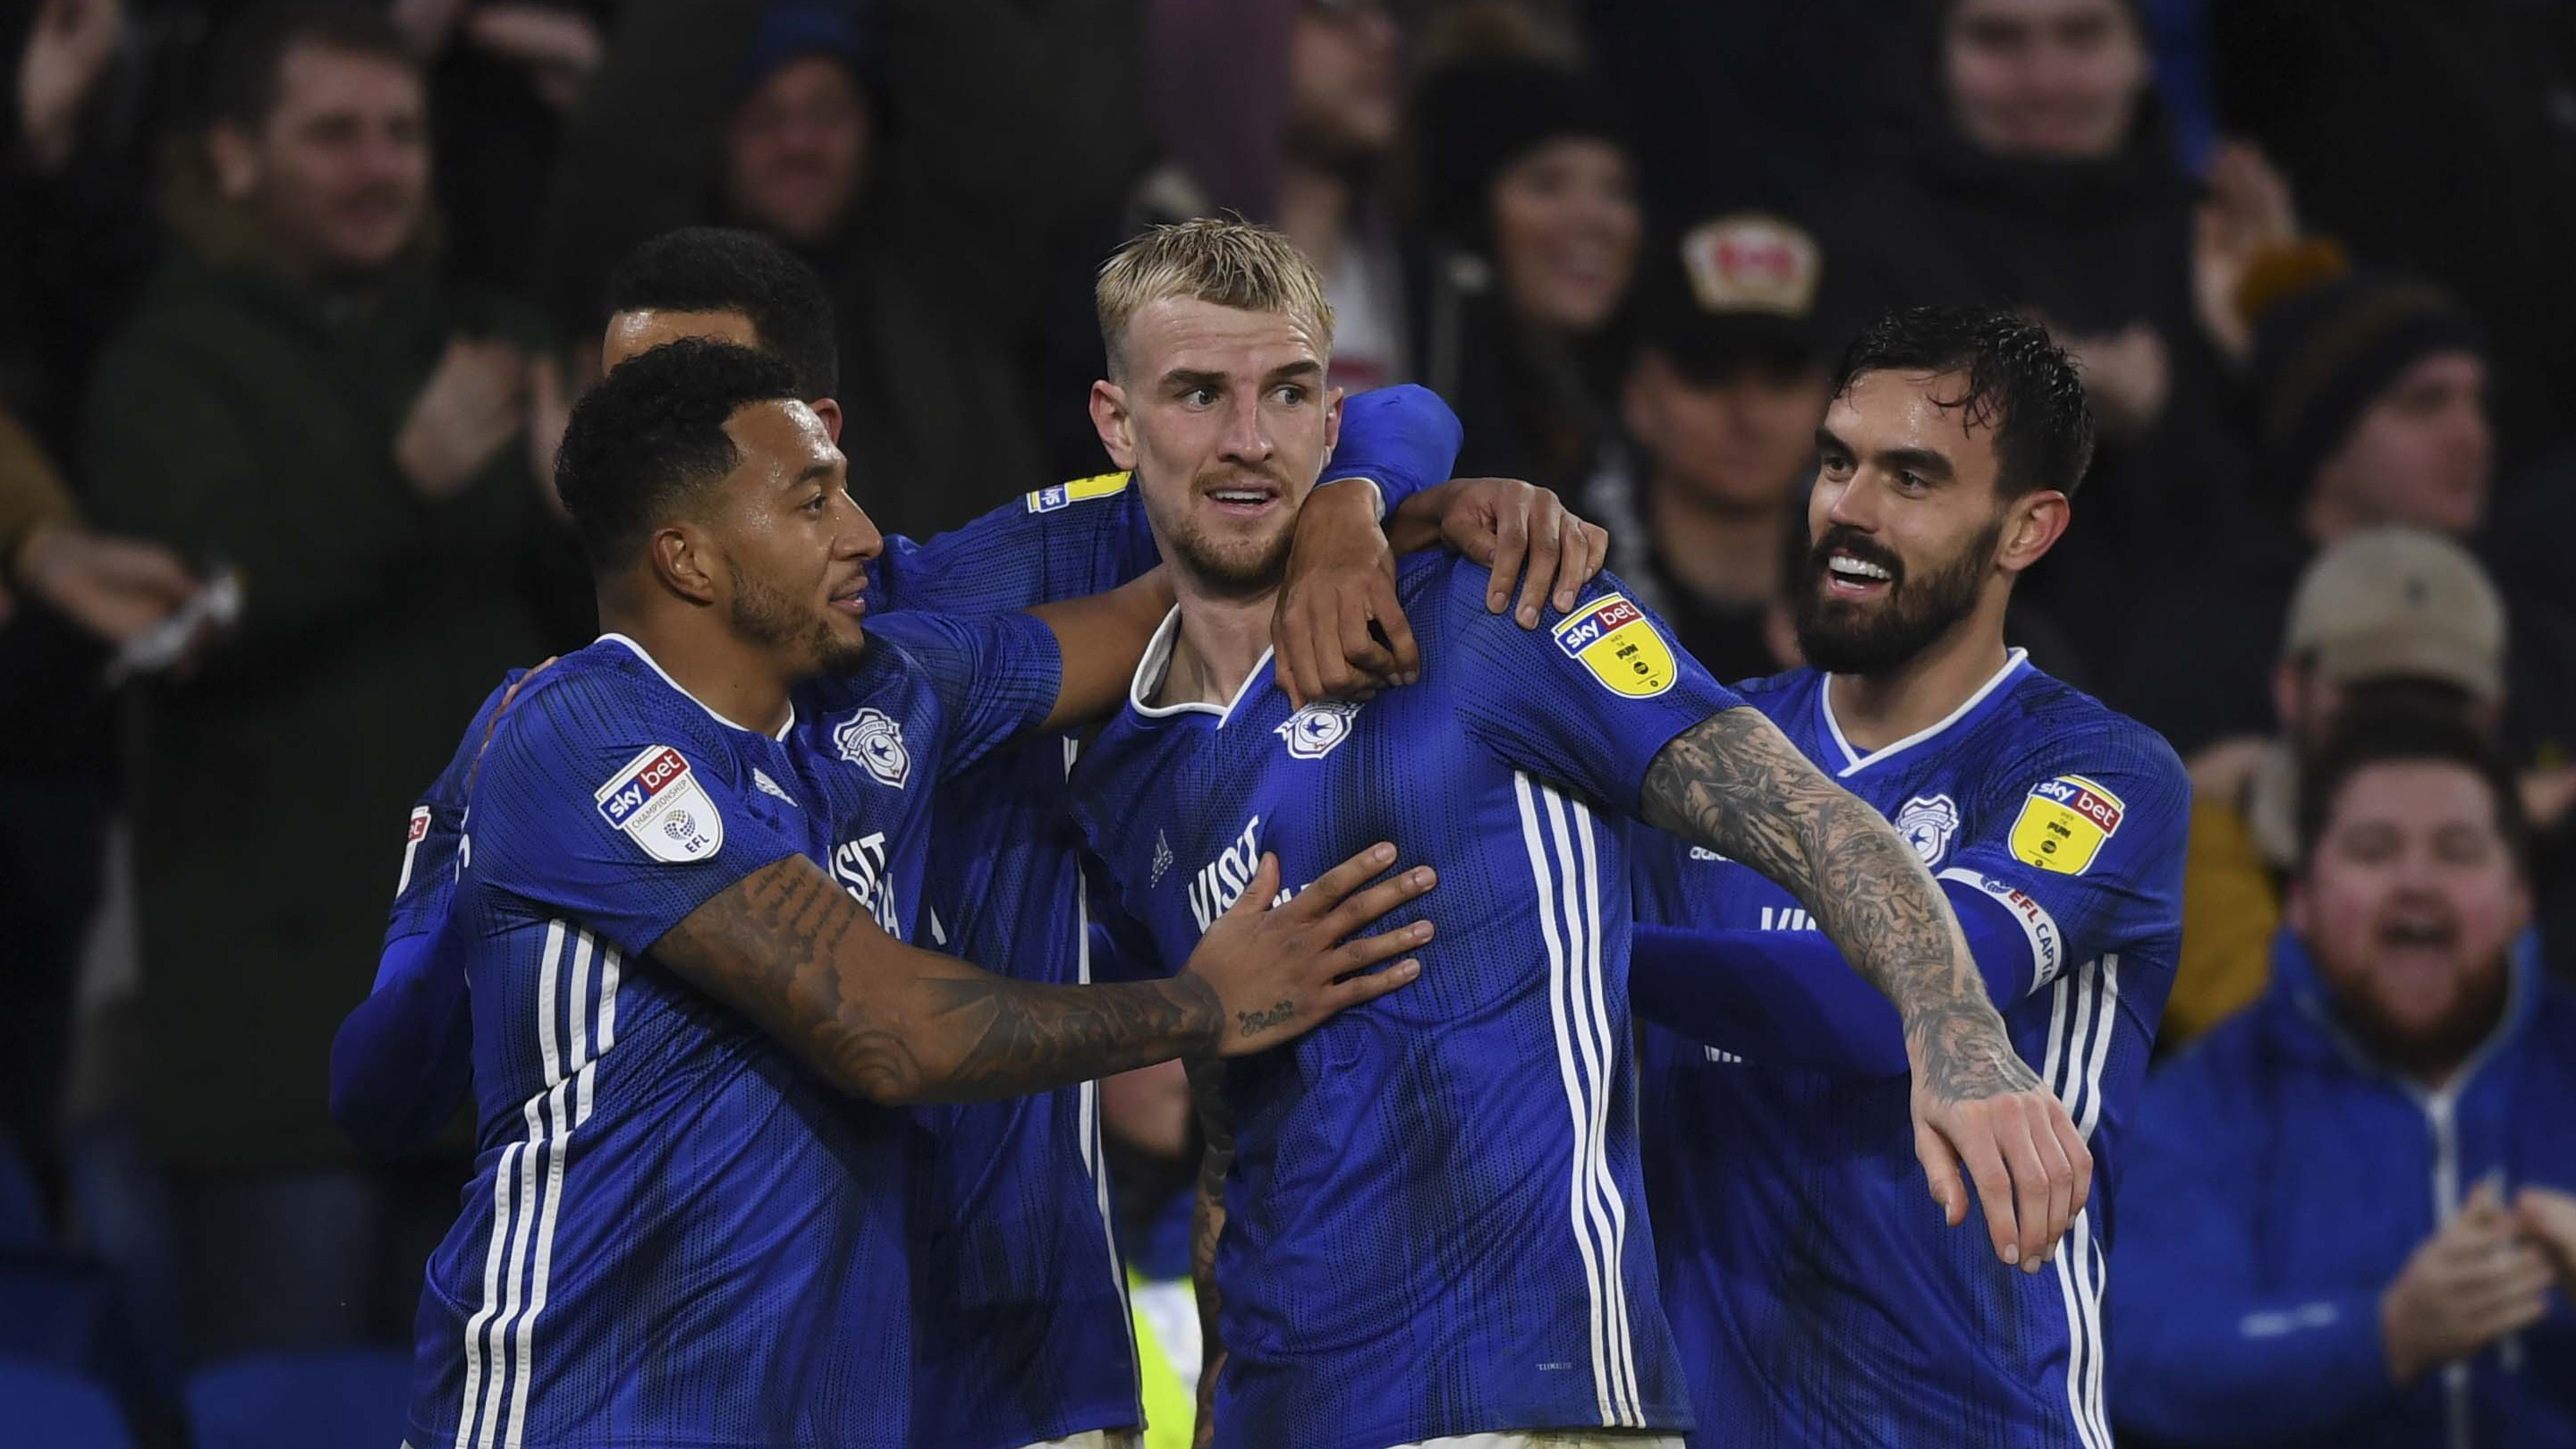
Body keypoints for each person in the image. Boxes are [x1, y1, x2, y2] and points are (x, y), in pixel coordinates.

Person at [336, 225, 1605, 1449]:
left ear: (816, 428)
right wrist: (471, 901)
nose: (654, 431)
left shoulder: (942, 632)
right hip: (622, 1393)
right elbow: (387, 1085)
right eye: (637, 405)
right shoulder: (564, 729)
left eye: (701, 392)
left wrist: (1357, 514)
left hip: (996, 1372)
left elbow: (1326, 441)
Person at [1068, 218, 2089, 1449]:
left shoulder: (1502, 608)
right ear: (1118, 427)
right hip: (1290, 1412)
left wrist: (1958, 1035)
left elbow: (1816, 821)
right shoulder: (1126, 768)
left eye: (1288, 393)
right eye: (1196, 396)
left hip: (1529, 1395)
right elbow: (1230, 1123)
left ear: (1331, 421)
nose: (1249, 438)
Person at [77, 0, 568, 1365]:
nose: (378, 167)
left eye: (401, 134)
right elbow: (188, 621)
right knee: (289, 1416)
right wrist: (398, 486)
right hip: (274, 1065)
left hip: (490, 1052)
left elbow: (621, 647)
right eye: (334, 134)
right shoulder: (164, 367)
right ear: (231, 157)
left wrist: (582, 511)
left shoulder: (478, 342)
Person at [1622, 304, 2188, 1448]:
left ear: (2028, 529)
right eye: (1837, 462)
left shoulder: (2097, 772)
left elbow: (1901, 1001)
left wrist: (1567, 943)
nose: (1849, 510)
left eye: (1914, 479)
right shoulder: (1705, 757)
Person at [2109, 709, 2576, 1447]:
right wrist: (2384, 1334)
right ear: (2302, 903)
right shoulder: (2203, 1103)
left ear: (2520, 901)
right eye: (2373, 850)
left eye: (2457, 851)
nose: (2417, 882)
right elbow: (2139, 1358)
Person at [1807, 0, 2250, 690]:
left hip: (2212, 699)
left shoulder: (2220, 232)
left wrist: (2271, 334)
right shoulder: (1857, 245)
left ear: (2142, 55)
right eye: (1998, 40)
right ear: (1937, 55)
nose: (2044, 81)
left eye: (2081, 35)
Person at [2165, 528, 2533, 1045]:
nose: (2402, 728)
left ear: (2494, 712)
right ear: (2292, 690)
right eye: (2371, 695)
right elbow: (2257, 1038)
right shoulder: (2202, 832)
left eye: (2441, 702)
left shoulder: (2545, 846)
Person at [1580, 213, 1831, 683]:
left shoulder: (1898, 604)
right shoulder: (1556, 580)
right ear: (1636, 394)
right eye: (1706, 375)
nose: (1750, 417)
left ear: (1829, 400)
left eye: (1783, 378)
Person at [1414, 55, 1644, 498]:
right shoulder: (1431, 389)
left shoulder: (1656, 398)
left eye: (1617, 190)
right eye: (1547, 184)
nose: (1593, 220)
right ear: (1478, 217)